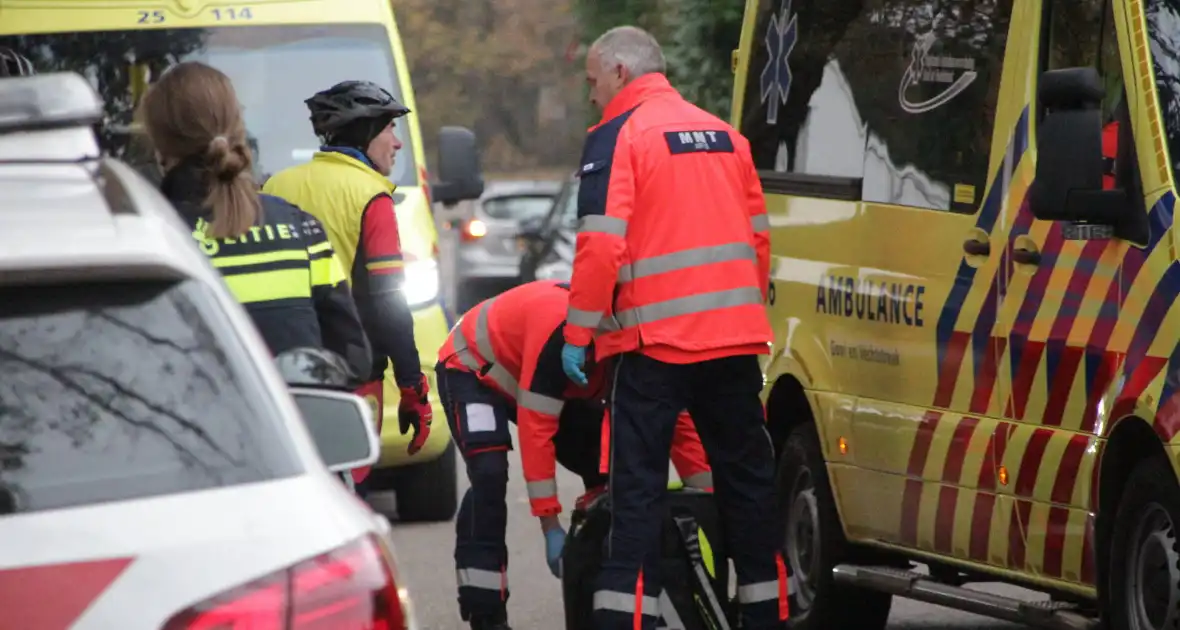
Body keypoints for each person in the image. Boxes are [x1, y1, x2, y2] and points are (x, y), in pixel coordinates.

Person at [560, 27, 789, 630]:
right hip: (734, 345)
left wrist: (578, 334)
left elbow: (600, 247)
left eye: (592, 82)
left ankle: (625, 621)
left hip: (656, 348)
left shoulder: (619, 136)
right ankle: (767, 616)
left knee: (636, 494)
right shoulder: (725, 136)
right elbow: (758, 239)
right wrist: (738, 318)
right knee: (748, 489)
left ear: (618, 71)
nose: (592, 96)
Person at [437, 280, 713, 630]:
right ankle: (486, 609)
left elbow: (677, 421)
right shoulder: (560, 339)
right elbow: (537, 432)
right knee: (489, 474)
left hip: (547, 379)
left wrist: (708, 499)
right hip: (474, 366)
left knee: (607, 472)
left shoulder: (639, 344)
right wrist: (550, 525)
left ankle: (605, 594)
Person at [142, 61, 372, 379]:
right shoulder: (301, 228)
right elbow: (353, 358)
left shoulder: (146, 241)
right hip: (295, 424)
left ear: (159, 147)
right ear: (238, 127)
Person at [263, 81, 432, 481]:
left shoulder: (273, 186)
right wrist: (412, 386)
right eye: (390, 129)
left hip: (277, 364)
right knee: (347, 486)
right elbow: (388, 303)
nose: (397, 143)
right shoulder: (371, 196)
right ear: (366, 133)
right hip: (350, 369)